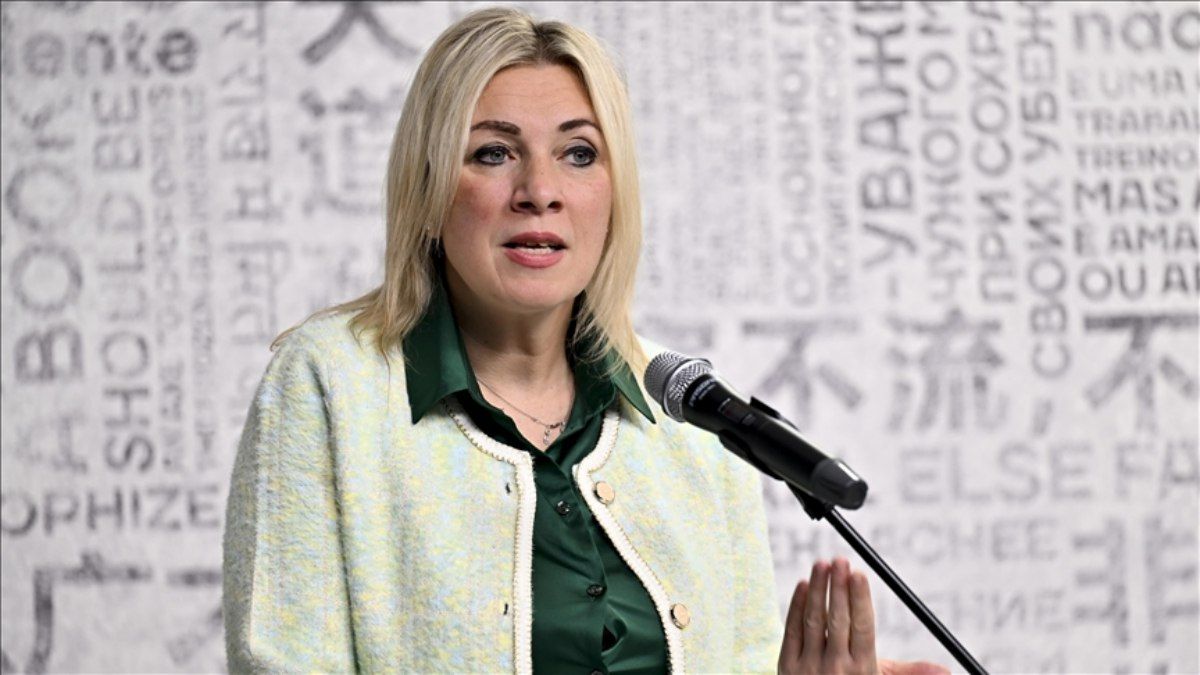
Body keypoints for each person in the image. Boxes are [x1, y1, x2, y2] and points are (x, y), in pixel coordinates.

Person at [223, 7, 948, 674]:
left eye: (577, 154)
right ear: (429, 187)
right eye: (493, 153)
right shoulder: (328, 384)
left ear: (614, 192)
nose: (540, 190)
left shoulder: (691, 420)